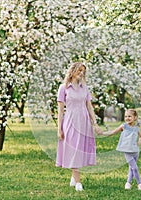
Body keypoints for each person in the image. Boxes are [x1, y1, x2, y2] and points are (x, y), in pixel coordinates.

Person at [56, 62, 101, 191]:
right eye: (79, 70)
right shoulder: (63, 88)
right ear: (73, 71)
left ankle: (74, 175)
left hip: (84, 122)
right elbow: (60, 111)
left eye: (83, 71)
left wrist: (95, 123)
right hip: (70, 121)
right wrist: (59, 128)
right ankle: (78, 182)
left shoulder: (84, 88)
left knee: (80, 149)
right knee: (72, 150)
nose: (81, 73)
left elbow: (89, 106)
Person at [98, 109, 141, 190]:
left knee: (131, 167)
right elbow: (113, 132)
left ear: (135, 117)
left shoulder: (136, 128)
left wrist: (138, 143)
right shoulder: (124, 126)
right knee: (135, 168)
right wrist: (103, 133)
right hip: (127, 151)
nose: (127, 118)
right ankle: (139, 184)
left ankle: (128, 183)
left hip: (135, 151)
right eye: (125, 116)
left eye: (129, 116)